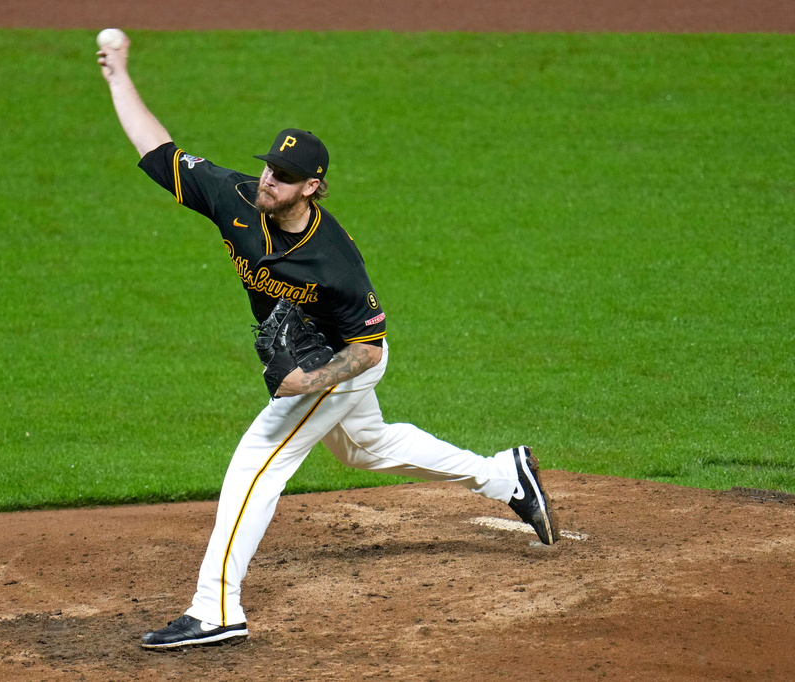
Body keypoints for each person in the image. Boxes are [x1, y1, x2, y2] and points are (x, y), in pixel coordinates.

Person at [97, 33, 559, 651]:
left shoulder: (334, 262)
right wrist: (117, 75)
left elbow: (370, 347)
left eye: (284, 178)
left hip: (345, 363)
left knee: (257, 460)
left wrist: (306, 383)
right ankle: (505, 477)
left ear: (311, 186)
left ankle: (215, 608)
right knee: (366, 448)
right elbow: (158, 149)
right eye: (268, 167)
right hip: (320, 363)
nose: (268, 181)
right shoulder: (234, 198)